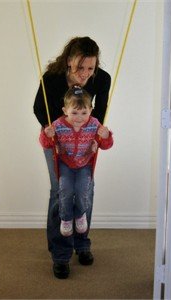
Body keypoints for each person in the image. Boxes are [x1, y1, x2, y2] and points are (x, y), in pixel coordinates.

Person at [33, 36, 111, 279]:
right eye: (80, 67)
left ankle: (82, 243)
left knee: (86, 189)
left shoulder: (102, 79)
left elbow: (101, 111)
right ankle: (60, 253)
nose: (85, 73)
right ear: (69, 61)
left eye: (91, 67)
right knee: (61, 190)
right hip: (56, 141)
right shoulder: (52, 79)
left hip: (85, 142)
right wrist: (56, 133)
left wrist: (95, 135)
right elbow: (38, 108)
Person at [39, 86, 113, 241]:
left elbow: (106, 145)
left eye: (84, 113)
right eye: (74, 112)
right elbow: (46, 144)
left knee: (82, 190)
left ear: (90, 110)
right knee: (65, 190)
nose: (79, 117)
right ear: (65, 110)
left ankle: (80, 215)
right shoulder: (58, 125)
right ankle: (66, 218)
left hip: (85, 164)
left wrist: (106, 136)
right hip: (65, 163)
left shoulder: (94, 124)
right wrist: (46, 135)